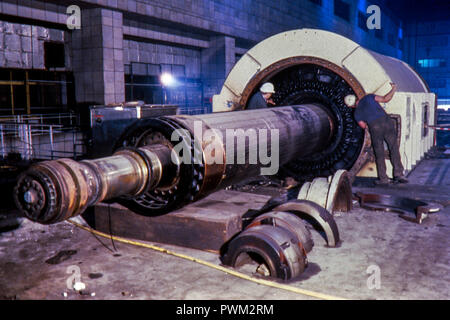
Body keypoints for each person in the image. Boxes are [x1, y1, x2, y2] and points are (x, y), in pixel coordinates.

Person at [344, 82, 408, 185]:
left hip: (375, 127)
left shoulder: (356, 113)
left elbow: (364, 126)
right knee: (394, 148)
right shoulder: (369, 97)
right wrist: (394, 89)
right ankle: (399, 174)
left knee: (379, 153)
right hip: (387, 122)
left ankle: (383, 179)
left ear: (351, 106)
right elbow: (386, 99)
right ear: (356, 97)